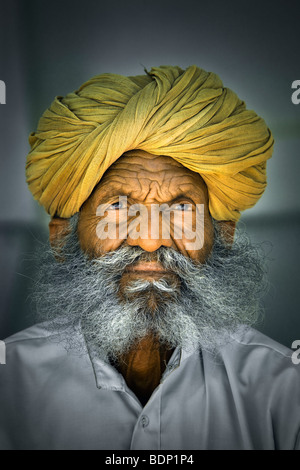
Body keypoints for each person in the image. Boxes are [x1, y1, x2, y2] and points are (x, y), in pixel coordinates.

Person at [0, 65, 299, 450]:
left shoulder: (282, 388)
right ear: (62, 238)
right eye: (120, 207)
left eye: (180, 210)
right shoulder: (10, 388)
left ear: (221, 238)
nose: (151, 238)